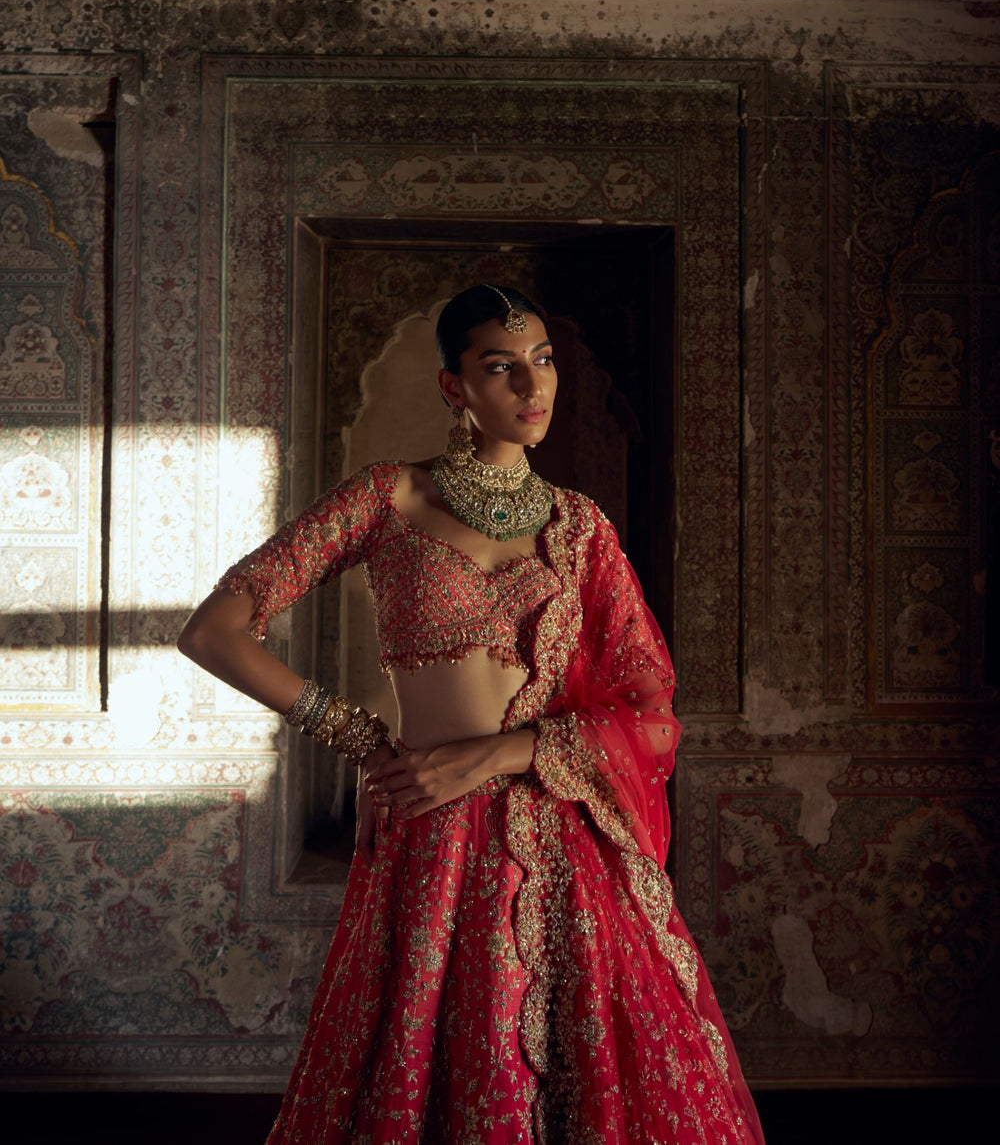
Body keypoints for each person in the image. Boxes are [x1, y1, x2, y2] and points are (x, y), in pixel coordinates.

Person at [178, 284, 764, 1145]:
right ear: (455, 387)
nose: (533, 388)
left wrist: (497, 755)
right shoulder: (390, 499)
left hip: (564, 838)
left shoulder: (583, 531)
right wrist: (357, 736)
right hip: (434, 834)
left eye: (544, 362)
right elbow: (215, 630)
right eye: (502, 368)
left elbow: (649, 713)